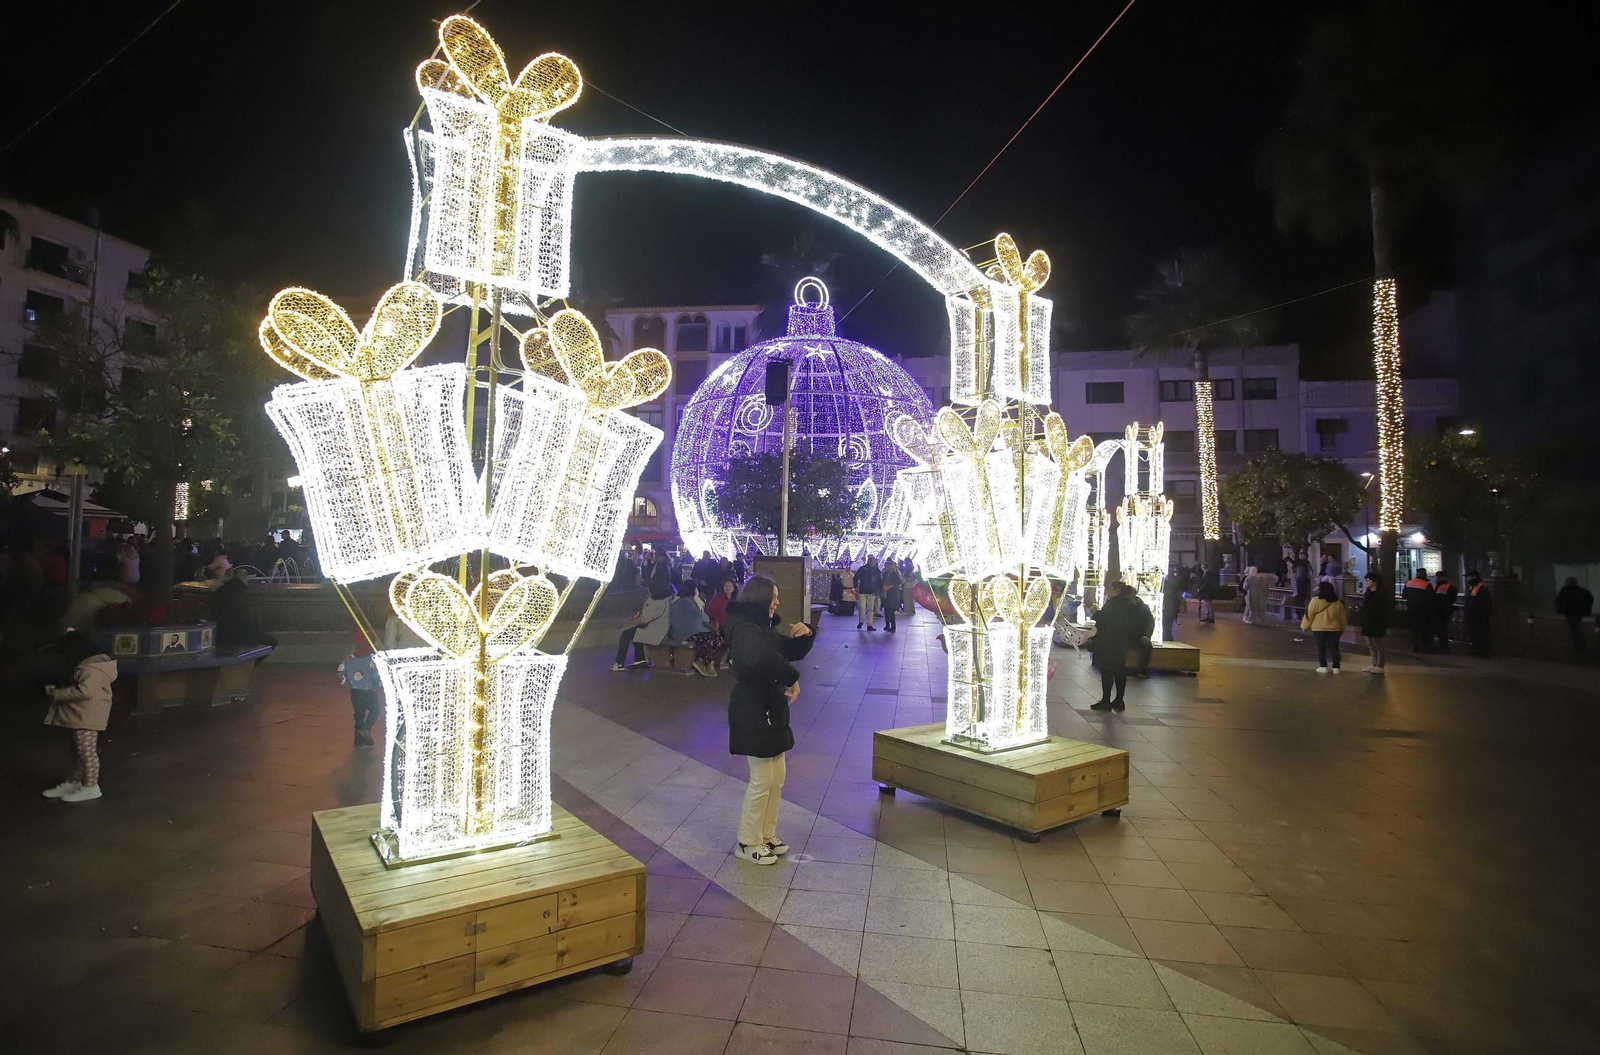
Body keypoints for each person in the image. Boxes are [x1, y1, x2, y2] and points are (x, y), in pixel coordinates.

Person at [725, 576, 815, 865]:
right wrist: (791, 678)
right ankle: (747, 841)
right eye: (773, 597)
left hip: (771, 708)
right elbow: (761, 658)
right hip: (753, 708)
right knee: (762, 779)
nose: (777, 602)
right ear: (760, 598)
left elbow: (785, 651)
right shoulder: (745, 629)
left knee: (777, 778)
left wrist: (808, 633)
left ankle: (766, 835)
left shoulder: (764, 628)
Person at [41, 630, 118, 802]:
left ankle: (91, 787)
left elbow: (85, 691)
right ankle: (74, 781)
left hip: (87, 715)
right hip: (80, 713)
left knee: (86, 751)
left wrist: (57, 693)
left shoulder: (91, 668)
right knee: (78, 750)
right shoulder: (89, 665)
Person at [1090, 583, 1139, 711]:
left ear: (1116, 590)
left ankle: (1106, 700)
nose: (1108, 591)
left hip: (1108, 641)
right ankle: (1119, 699)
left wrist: (1093, 611)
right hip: (1121, 641)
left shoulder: (1112, 604)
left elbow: (1103, 621)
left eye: (1109, 589)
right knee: (1119, 671)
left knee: (1106, 670)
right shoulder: (1129, 604)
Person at [338, 629, 382, 746]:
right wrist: (378, 684)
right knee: (375, 710)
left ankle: (358, 736)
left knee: (359, 713)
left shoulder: (349, 659)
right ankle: (365, 730)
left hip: (355, 691)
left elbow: (341, 670)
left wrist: (345, 682)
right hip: (370, 691)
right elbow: (375, 674)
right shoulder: (373, 659)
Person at [669, 586, 722, 677]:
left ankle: (705, 661)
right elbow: (701, 616)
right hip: (687, 633)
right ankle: (705, 662)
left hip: (681, 632)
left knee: (710, 638)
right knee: (715, 638)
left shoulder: (676, 602)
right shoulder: (687, 602)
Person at [611, 591, 671, 672]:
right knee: (636, 632)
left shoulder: (653, 601)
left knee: (626, 634)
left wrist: (633, 620)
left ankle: (619, 663)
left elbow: (644, 619)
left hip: (654, 631)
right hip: (663, 629)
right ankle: (640, 659)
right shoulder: (669, 598)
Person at [1301, 580, 1349, 673]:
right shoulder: (1337, 602)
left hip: (1319, 628)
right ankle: (1336, 667)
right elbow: (1342, 617)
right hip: (1334, 629)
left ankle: (1323, 666)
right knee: (1334, 648)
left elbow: (1309, 614)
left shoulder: (1315, 601)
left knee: (1321, 648)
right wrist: (1342, 628)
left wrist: (1305, 626)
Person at [1360, 573, 1390, 674]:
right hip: (1367, 621)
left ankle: (1380, 665)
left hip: (1377, 622)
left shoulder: (1381, 594)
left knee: (1379, 645)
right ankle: (1373, 663)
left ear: (1374, 581)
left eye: (1368, 580)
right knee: (1370, 645)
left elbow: (1384, 609)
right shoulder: (1368, 593)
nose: (1367, 582)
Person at [1555, 577, 1593, 654]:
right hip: (1579, 613)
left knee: (1574, 629)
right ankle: (1580, 646)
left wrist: (1560, 610)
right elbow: (1590, 599)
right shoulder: (1582, 591)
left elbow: (1559, 601)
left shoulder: (1565, 590)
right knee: (1575, 628)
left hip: (1570, 613)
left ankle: (1580, 646)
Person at [1402, 571, 1434, 652]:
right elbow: (1430, 598)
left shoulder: (1408, 583)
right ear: (1425, 575)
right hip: (1423, 611)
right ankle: (1424, 647)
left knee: (1414, 629)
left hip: (1411, 609)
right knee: (1424, 629)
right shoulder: (1426, 584)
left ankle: (1415, 646)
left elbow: (1404, 595)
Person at [1464, 571, 1493, 659]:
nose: (1467, 579)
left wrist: (1482, 613)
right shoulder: (1473, 587)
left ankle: (1484, 652)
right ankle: (1476, 649)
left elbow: (1485, 602)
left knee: (1482, 633)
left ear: (1474, 577)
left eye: (1468, 577)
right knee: (1474, 633)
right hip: (1472, 615)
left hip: (1480, 615)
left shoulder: (1482, 587)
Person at [1432, 571, 1458, 654]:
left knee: (1442, 630)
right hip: (1436, 611)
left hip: (1444, 612)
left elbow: (1451, 599)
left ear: (1445, 577)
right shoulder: (1435, 586)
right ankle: (1440, 647)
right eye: (1437, 576)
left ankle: (1444, 648)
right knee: (1438, 630)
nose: (1438, 578)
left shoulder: (1449, 587)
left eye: (1440, 577)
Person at [855, 556, 883, 630]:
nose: (872, 563)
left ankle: (869, 624)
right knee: (862, 607)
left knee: (870, 609)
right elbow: (856, 577)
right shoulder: (863, 569)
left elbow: (879, 581)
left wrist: (878, 589)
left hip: (871, 591)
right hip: (863, 591)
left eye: (873, 561)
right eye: (871, 561)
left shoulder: (876, 570)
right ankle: (861, 621)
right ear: (868, 561)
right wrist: (856, 586)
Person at [1161, 570, 1183, 642]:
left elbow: (1166, 596)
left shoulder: (1168, 586)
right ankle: (1169, 641)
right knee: (1168, 627)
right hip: (1172, 609)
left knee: (1166, 628)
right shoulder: (1174, 585)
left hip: (1168, 609)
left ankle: (1167, 642)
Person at [881, 560, 902, 633]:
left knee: (891, 610)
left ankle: (893, 626)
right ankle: (887, 625)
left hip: (892, 594)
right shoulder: (885, 574)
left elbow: (898, 581)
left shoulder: (895, 574)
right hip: (885, 594)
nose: (887, 567)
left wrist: (889, 586)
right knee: (886, 610)